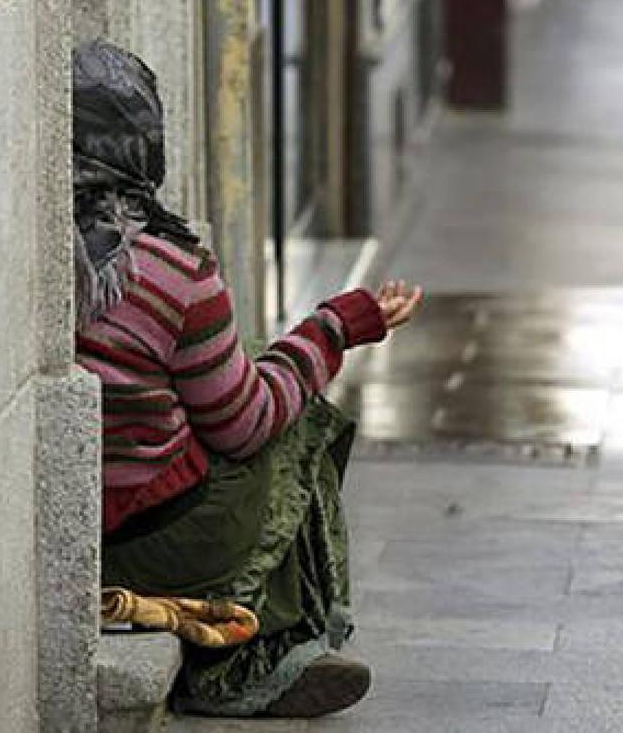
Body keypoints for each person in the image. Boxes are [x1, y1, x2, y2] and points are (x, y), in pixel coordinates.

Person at [71, 40, 423, 716]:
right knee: (296, 430)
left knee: (259, 373)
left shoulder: (32, 245)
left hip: (78, 539)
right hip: (155, 542)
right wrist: (334, 329)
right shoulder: (171, 269)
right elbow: (246, 422)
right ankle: (268, 654)